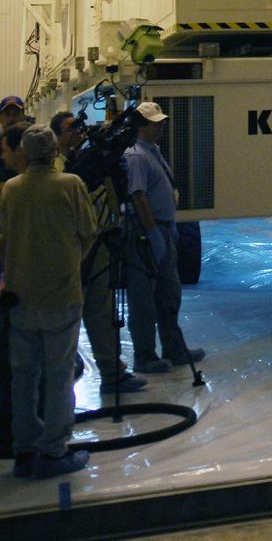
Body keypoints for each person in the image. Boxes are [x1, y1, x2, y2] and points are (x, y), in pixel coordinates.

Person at [0, 125, 97, 479]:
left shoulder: (11, 189)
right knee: (59, 376)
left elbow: (4, 239)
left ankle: (24, 448)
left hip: (21, 298)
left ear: (23, 151)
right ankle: (54, 450)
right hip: (61, 296)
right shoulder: (70, 185)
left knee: (23, 376)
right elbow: (89, 233)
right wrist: (70, 264)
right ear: (55, 149)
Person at [49, 111, 147, 395]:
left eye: (79, 128)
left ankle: (112, 371)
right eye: (70, 129)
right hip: (69, 251)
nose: (77, 134)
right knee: (67, 317)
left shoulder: (93, 161)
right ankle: (61, 377)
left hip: (100, 240)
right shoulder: (57, 170)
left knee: (101, 312)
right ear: (56, 137)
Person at [123, 102, 205, 373]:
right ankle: (144, 355)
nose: (160, 128)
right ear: (140, 126)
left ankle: (173, 346)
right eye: (154, 123)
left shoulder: (154, 152)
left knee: (170, 293)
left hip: (163, 229)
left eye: (161, 123)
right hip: (147, 232)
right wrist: (152, 233)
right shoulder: (135, 156)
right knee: (143, 297)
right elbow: (138, 196)